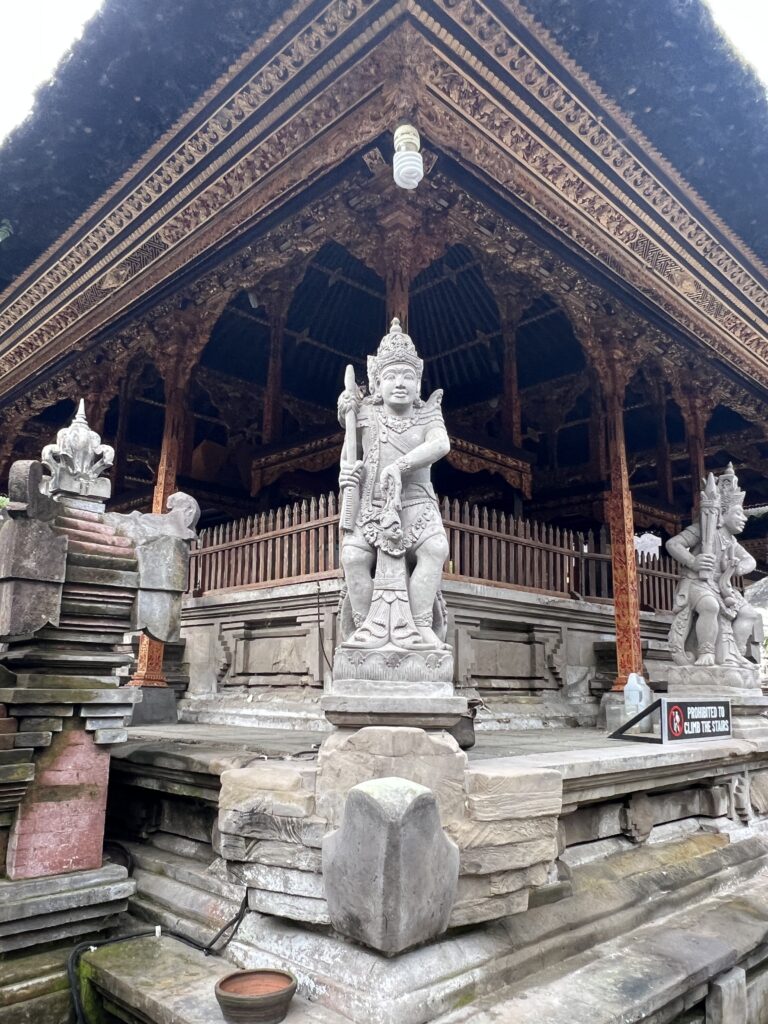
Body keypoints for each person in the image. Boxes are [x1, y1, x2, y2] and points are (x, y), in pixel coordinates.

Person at [337, 319, 450, 650]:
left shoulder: (428, 415)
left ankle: (421, 625)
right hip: (371, 506)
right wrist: (346, 475)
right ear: (377, 383)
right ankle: (363, 628)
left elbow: (441, 445)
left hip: (417, 504)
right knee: (353, 556)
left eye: (408, 376)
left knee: (435, 548)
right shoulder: (366, 415)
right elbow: (349, 457)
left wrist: (399, 466)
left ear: (418, 384)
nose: (400, 383)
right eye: (391, 376)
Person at [666, 464, 759, 666]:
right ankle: (705, 652)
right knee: (710, 606)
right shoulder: (702, 529)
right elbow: (673, 544)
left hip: (721, 586)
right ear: (722, 513)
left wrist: (737, 567)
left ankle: (734, 654)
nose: (744, 518)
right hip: (697, 583)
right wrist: (693, 561)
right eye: (738, 513)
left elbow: (750, 561)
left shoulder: (731, 541)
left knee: (749, 613)